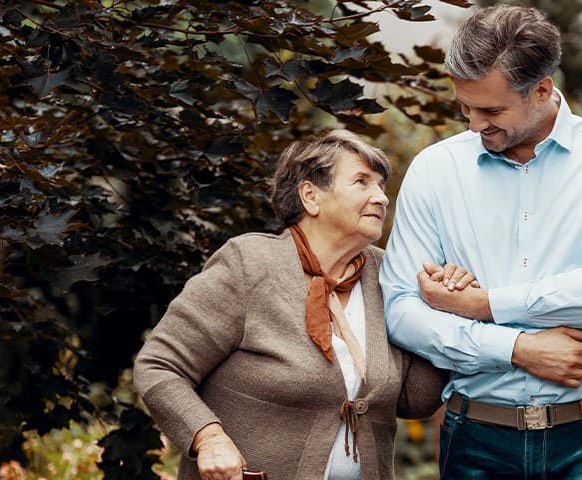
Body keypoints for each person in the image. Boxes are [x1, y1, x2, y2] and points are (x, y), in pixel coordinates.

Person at [379, 5, 582, 479]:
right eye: (464, 108)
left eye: (491, 110)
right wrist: (515, 348)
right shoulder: (435, 170)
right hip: (474, 438)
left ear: (542, 90)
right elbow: (402, 310)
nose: (473, 125)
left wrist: (485, 304)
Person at [133, 130, 452, 480]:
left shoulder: (388, 274)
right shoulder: (250, 264)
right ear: (311, 196)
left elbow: (415, 399)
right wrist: (208, 437)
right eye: (361, 182)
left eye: (380, 185)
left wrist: (442, 308)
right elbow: (160, 365)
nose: (381, 198)